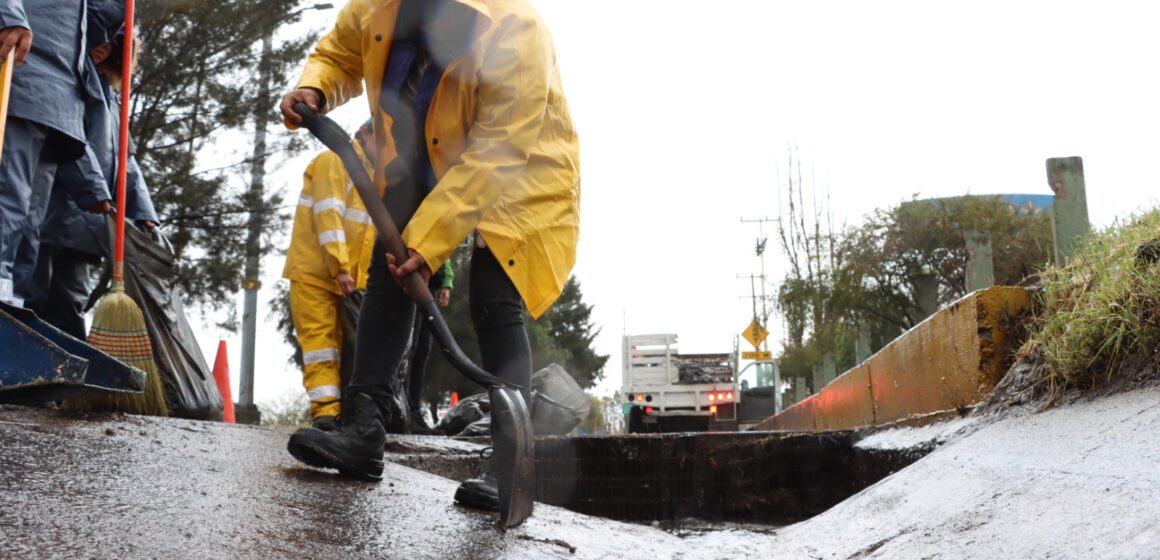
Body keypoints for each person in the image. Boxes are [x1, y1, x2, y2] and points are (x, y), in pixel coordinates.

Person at [280, 0, 580, 511]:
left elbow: (500, 149)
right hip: (422, 150)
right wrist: (316, 85)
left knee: (494, 293)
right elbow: (340, 51)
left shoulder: (515, 28)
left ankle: (512, 468)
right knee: (387, 267)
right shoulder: (380, 5)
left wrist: (432, 238)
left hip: (522, 170)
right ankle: (363, 428)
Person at [24, 3, 158, 338]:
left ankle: (61, 382)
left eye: (110, 46)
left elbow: (126, 161)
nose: (101, 49)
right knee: (31, 294)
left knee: (70, 302)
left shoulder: (112, 101)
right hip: (50, 202)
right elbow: (68, 135)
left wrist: (144, 212)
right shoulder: (69, 77)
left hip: (86, 220)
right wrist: (94, 188)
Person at [0, 0, 112, 307]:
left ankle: (12, 302)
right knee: (8, 200)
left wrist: (91, 185)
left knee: (29, 220)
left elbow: (102, 21)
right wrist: (7, 14)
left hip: (56, 105)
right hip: (18, 73)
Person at [283, 121, 377, 432]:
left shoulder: (373, 177)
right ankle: (325, 414)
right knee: (320, 345)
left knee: (350, 349)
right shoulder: (334, 161)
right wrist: (340, 267)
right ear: (367, 135)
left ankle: (347, 415)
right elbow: (328, 214)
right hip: (315, 274)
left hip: (348, 281)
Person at [401, 259, 453, 434]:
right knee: (409, 351)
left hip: (429, 285)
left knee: (422, 350)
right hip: (411, 280)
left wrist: (446, 281)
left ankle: (414, 412)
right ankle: (403, 411)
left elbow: (442, 245)